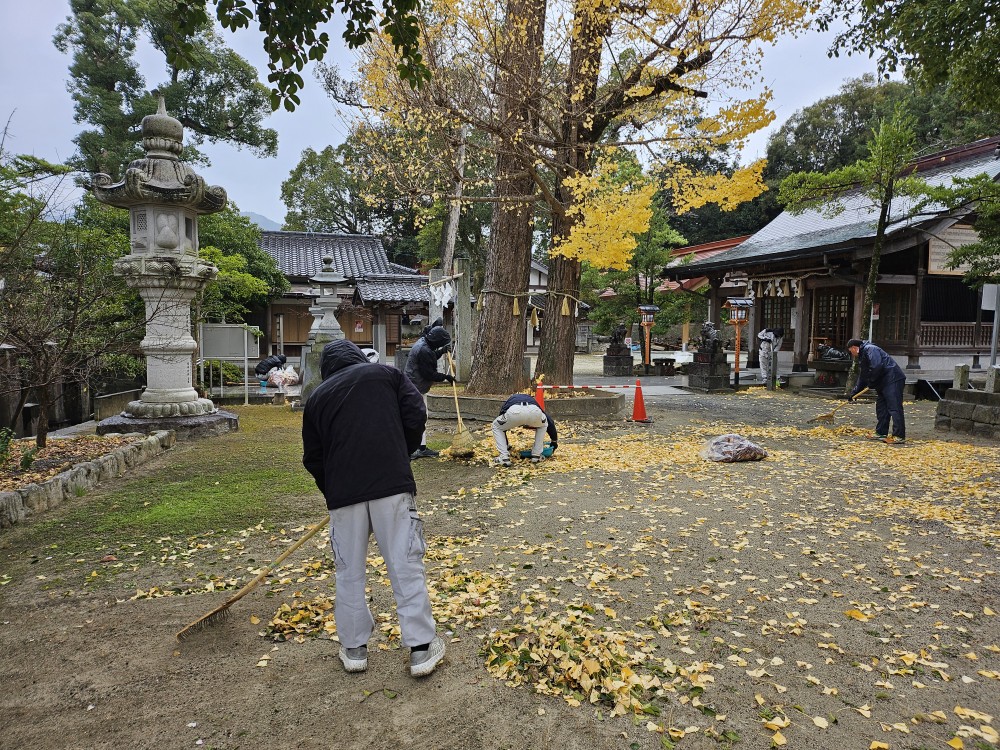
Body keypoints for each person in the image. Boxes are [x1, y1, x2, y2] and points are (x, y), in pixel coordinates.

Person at [302, 339, 445, 677]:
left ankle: (354, 648)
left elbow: (314, 457)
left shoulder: (318, 397)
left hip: (344, 495)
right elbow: (416, 413)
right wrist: (400, 451)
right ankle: (421, 648)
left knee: (348, 570)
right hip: (391, 486)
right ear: (356, 357)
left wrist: (332, 490)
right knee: (405, 562)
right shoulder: (387, 375)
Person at [403, 318, 455, 459]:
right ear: (436, 341)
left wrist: (442, 351)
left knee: (421, 417)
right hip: (415, 388)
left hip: (415, 386)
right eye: (441, 344)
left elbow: (430, 357)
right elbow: (429, 373)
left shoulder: (424, 343)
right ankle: (415, 449)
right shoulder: (424, 350)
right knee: (418, 418)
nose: (441, 346)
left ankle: (421, 447)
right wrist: (446, 377)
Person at [846, 338, 906, 444]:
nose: (852, 354)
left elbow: (877, 365)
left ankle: (899, 436)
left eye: (851, 351)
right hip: (882, 382)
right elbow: (863, 376)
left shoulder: (870, 349)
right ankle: (881, 433)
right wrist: (854, 393)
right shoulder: (863, 355)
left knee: (894, 407)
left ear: (854, 348)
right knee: (881, 408)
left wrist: (872, 381)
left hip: (892, 379)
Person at [491, 393, 558, 467]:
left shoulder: (510, 400)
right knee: (543, 425)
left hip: (514, 411)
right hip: (534, 411)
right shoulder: (533, 401)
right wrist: (554, 441)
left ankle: (504, 457)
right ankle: (536, 455)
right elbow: (550, 422)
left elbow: (502, 426)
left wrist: (506, 445)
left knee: (496, 426)